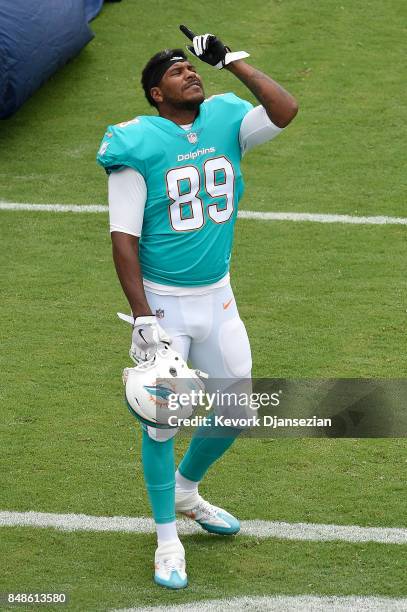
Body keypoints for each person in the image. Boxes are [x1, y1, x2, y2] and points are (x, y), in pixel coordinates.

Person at [97, 27, 298, 590]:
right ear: (156, 94)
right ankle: (167, 540)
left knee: (240, 409)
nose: (189, 72)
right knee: (162, 422)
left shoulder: (225, 118)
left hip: (219, 294)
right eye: (174, 71)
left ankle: (187, 491)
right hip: (164, 305)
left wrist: (233, 61)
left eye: (192, 66)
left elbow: (284, 110)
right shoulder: (136, 142)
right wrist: (141, 318)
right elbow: (123, 237)